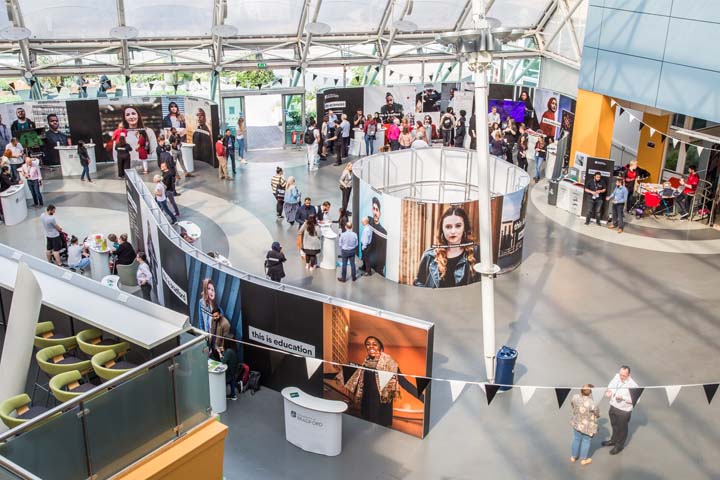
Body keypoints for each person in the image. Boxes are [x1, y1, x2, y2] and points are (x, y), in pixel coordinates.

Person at [414, 206, 480, 288]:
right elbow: (418, 283)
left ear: (464, 228)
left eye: (458, 226)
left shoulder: (476, 252)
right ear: (442, 229)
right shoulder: (429, 255)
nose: (453, 231)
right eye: (448, 227)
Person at [344, 336, 401, 427]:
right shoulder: (365, 363)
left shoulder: (390, 362)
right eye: (368, 344)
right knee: (366, 427)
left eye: (374, 344)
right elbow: (354, 378)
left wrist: (422, 397)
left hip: (381, 404)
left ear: (380, 348)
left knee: (379, 431)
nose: (371, 346)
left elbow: (403, 381)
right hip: (367, 403)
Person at [603, 366, 638, 455]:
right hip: (613, 406)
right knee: (614, 424)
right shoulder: (616, 377)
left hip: (624, 410)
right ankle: (613, 440)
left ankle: (619, 446)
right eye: (620, 374)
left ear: (629, 375)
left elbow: (636, 400)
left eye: (623, 375)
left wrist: (623, 398)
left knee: (622, 429)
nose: (621, 377)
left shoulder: (633, 386)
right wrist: (609, 392)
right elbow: (610, 386)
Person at [207, 306, 239, 401]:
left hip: (220, 350)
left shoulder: (226, 324)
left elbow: (225, 339)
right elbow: (212, 332)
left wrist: (221, 350)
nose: (214, 318)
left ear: (220, 314)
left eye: (216, 316)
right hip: (214, 347)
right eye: (213, 316)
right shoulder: (213, 320)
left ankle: (219, 393)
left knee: (220, 372)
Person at [570, 384, 600, 466]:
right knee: (586, 441)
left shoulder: (575, 397)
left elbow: (572, 404)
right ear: (591, 392)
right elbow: (597, 414)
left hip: (576, 423)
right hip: (588, 426)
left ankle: (573, 457)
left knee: (576, 439)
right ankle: (583, 459)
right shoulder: (593, 403)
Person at [121, 106, 157, 170]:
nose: (131, 117)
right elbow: (116, 155)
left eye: (133, 113)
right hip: (129, 168)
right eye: (128, 115)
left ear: (138, 116)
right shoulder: (122, 133)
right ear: (125, 118)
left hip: (148, 167)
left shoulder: (148, 131)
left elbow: (155, 152)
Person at [365, 196, 387, 276]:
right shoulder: (369, 220)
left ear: (380, 213)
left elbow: (383, 253)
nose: (375, 212)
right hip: (368, 259)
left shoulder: (383, 232)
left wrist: (379, 269)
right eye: (373, 209)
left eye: (377, 210)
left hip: (378, 267)